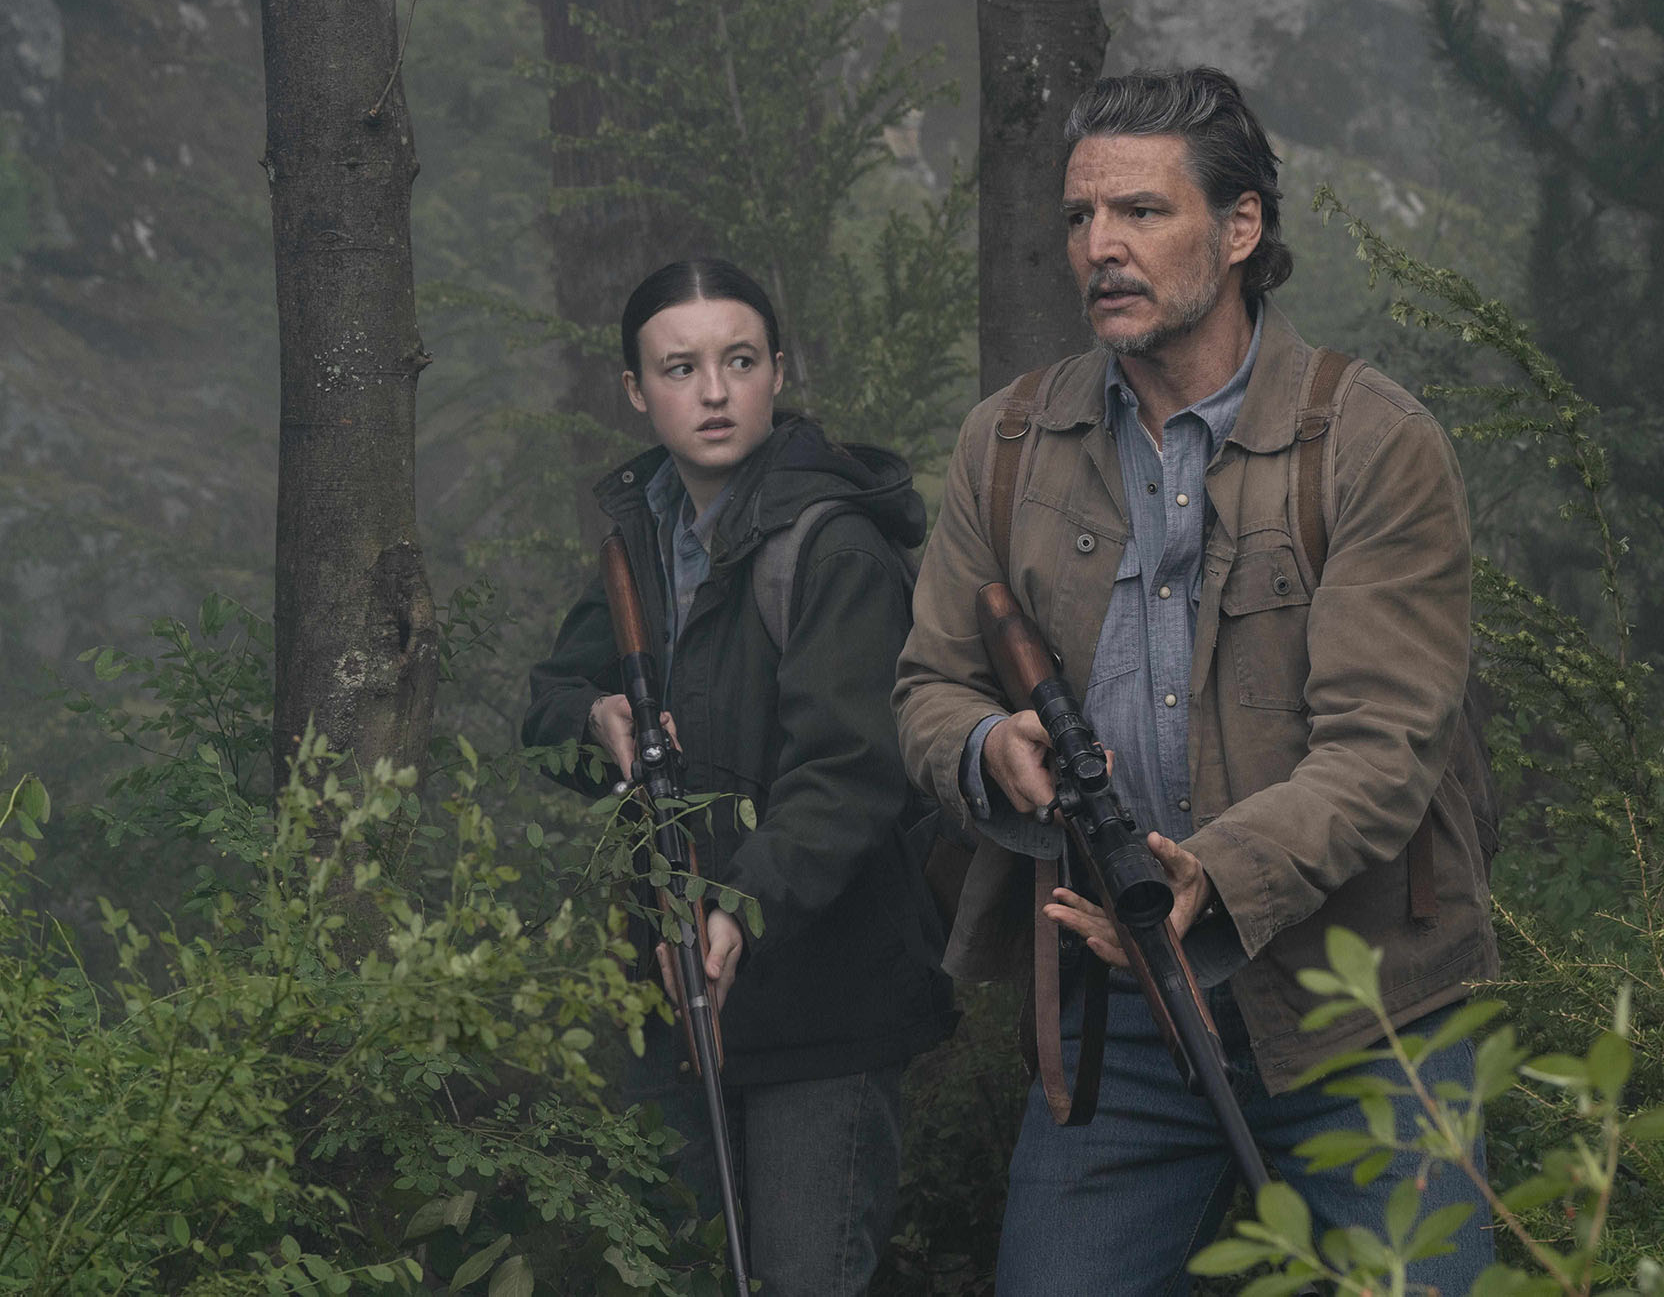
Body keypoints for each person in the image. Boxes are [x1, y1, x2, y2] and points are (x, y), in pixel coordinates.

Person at [892, 68, 1500, 1295]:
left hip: (1360, 1004)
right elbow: (928, 687)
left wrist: (1210, 874)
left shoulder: (1369, 440)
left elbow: (1383, 746)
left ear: (1238, 228)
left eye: (1139, 211)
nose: (1099, 247)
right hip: (1122, 1016)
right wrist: (986, 750)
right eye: (1079, 217)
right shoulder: (1005, 441)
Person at [523, 257, 955, 1297]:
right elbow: (544, 708)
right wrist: (598, 721)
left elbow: (849, 774)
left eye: (740, 361)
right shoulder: (642, 533)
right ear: (636, 391)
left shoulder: (831, 544)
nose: (713, 392)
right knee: (686, 1273)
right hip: (675, 998)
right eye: (680, 368)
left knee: (806, 1278)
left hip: (823, 1003)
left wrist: (736, 909)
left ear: (777, 372)